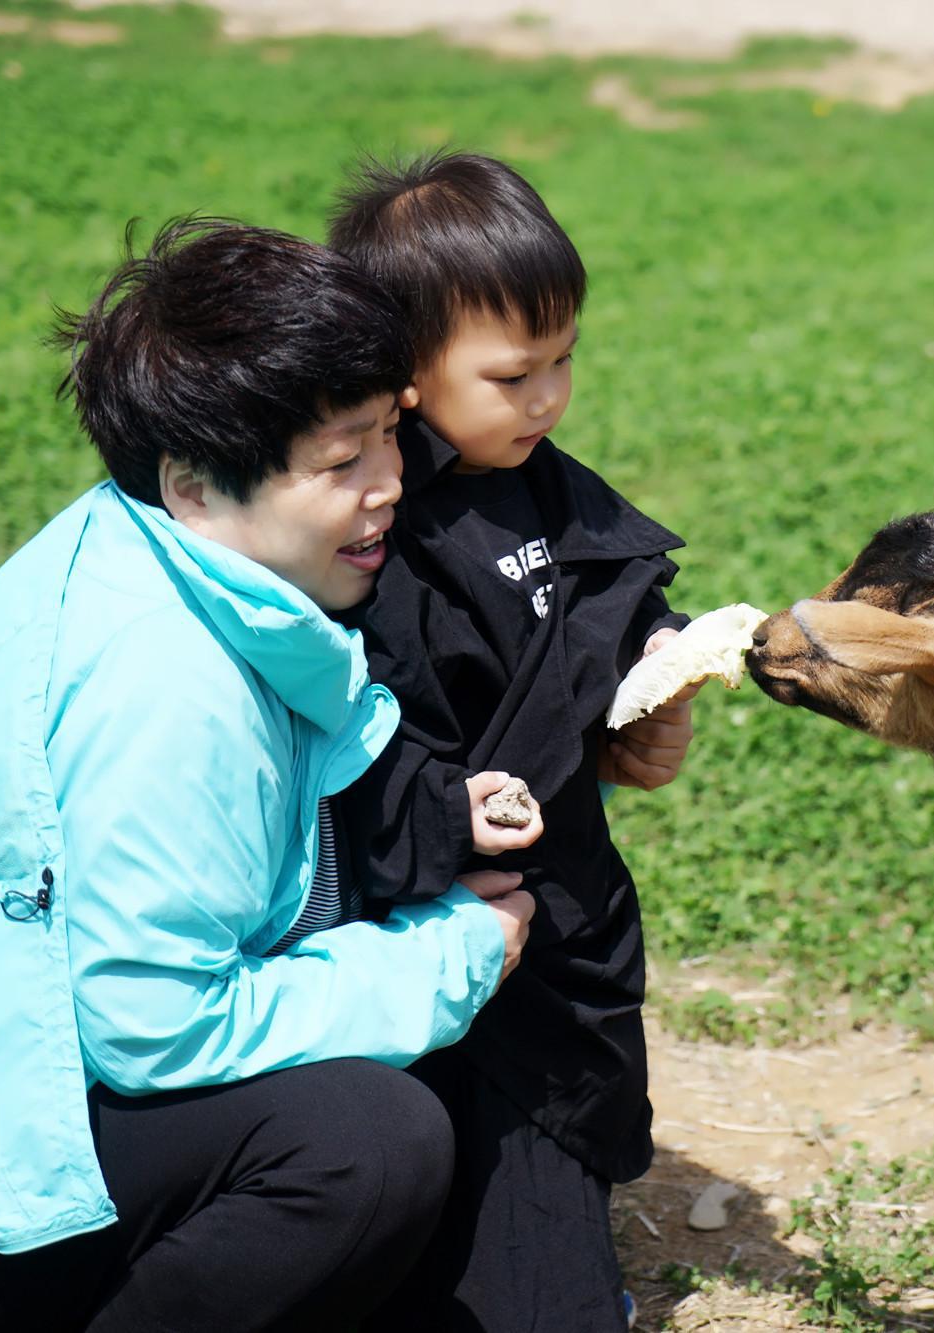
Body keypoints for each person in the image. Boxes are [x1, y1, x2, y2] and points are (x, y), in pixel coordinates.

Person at [0, 218, 536, 1332]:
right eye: (342, 461)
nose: (392, 481)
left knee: (388, 1068)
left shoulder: (168, 555)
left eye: (390, 433)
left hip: (10, 1113)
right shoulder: (167, 686)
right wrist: (445, 958)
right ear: (192, 484)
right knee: (364, 1144)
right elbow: (156, 1028)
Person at [327, 151, 698, 1331]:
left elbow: (612, 599)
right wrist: (445, 815)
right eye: (511, 375)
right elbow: (353, 727)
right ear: (402, 371)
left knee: (560, 1131)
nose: (545, 399)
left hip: (565, 892)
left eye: (563, 361)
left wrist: (650, 688)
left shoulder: (541, 483)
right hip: (424, 908)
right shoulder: (369, 524)